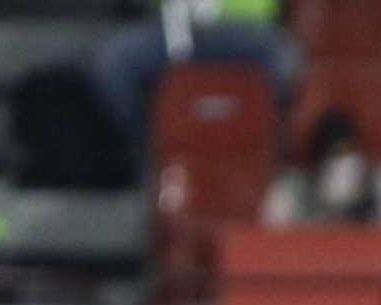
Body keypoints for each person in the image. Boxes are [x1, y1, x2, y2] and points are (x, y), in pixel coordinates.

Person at [91, 0, 297, 177]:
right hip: (175, 28)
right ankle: (156, 156)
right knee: (114, 62)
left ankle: (277, 163)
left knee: (286, 60)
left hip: (243, 29)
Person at [259, 107, 381, 228]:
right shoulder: (290, 189)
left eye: (348, 153)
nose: (343, 163)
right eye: (334, 155)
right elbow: (269, 237)